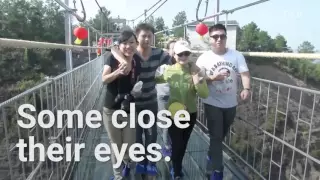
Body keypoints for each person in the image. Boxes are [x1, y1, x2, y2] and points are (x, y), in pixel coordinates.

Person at [110, 23, 172, 177]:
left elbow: (175, 61)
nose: (146, 39)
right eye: (143, 36)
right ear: (137, 38)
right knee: (135, 136)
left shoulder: (159, 54)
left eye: (149, 36)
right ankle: (140, 162)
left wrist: (188, 63)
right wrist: (123, 61)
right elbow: (113, 48)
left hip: (151, 100)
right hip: (133, 103)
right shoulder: (131, 53)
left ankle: (150, 163)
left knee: (151, 134)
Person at [196, 23, 251, 180]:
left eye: (222, 36)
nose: (219, 39)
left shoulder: (236, 55)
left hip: (230, 104)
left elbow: (245, 74)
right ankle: (217, 171)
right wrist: (212, 78)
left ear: (226, 38)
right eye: (215, 36)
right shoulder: (204, 58)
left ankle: (210, 156)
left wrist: (246, 89)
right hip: (212, 102)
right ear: (210, 39)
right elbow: (197, 78)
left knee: (220, 136)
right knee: (216, 136)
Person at [156, 40, 209, 179]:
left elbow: (204, 94)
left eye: (186, 53)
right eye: (180, 54)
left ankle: (176, 165)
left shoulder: (195, 70)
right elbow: (155, 80)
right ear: (174, 55)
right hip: (173, 115)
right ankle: (177, 170)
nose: (184, 57)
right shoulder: (169, 70)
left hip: (190, 114)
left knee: (183, 145)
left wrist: (197, 79)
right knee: (178, 145)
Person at [102, 29, 141, 180]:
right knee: (115, 144)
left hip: (129, 107)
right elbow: (104, 79)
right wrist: (118, 72)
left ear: (136, 44)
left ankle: (127, 164)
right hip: (111, 108)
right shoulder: (111, 58)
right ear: (119, 45)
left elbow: (136, 80)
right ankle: (119, 176)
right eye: (124, 43)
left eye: (131, 42)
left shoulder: (138, 61)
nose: (128, 46)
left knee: (130, 143)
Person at [157, 39, 176, 157]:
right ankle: (167, 147)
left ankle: (172, 145)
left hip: (177, 96)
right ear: (168, 50)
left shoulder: (181, 61)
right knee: (166, 124)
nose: (175, 50)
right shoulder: (162, 62)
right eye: (172, 48)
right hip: (163, 95)